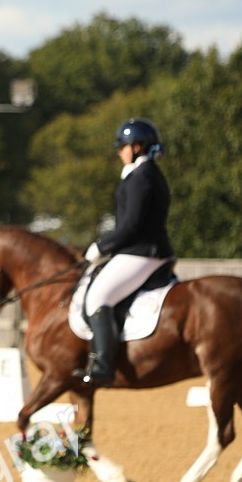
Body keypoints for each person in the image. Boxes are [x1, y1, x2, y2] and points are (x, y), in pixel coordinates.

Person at [77, 117, 173, 386]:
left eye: (123, 146)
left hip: (142, 252)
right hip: (141, 250)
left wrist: (101, 246)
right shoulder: (143, 174)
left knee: (97, 297)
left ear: (137, 147)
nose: (120, 152)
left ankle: (103, 366)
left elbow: (131, 226)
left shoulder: (142, 177)